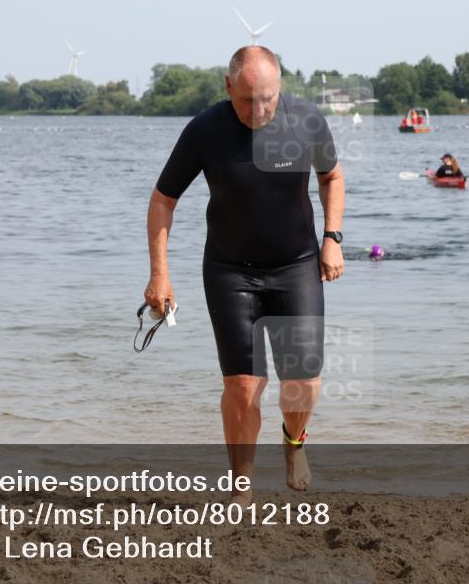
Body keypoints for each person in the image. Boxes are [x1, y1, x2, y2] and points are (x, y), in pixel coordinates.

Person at [145, 45, 345, 506]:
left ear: (281, 88)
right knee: (242, 385)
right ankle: (242, 482)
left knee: (303, 381)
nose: (258, 110)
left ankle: (294, 445)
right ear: (227, 86)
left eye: (268, 99)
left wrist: (333, 238)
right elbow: (163, 201)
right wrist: (160, 274)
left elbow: (332, 177)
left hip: (296, 265)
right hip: (229, 271)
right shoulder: (205, 130)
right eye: (246, 100)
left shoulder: (307, 120)